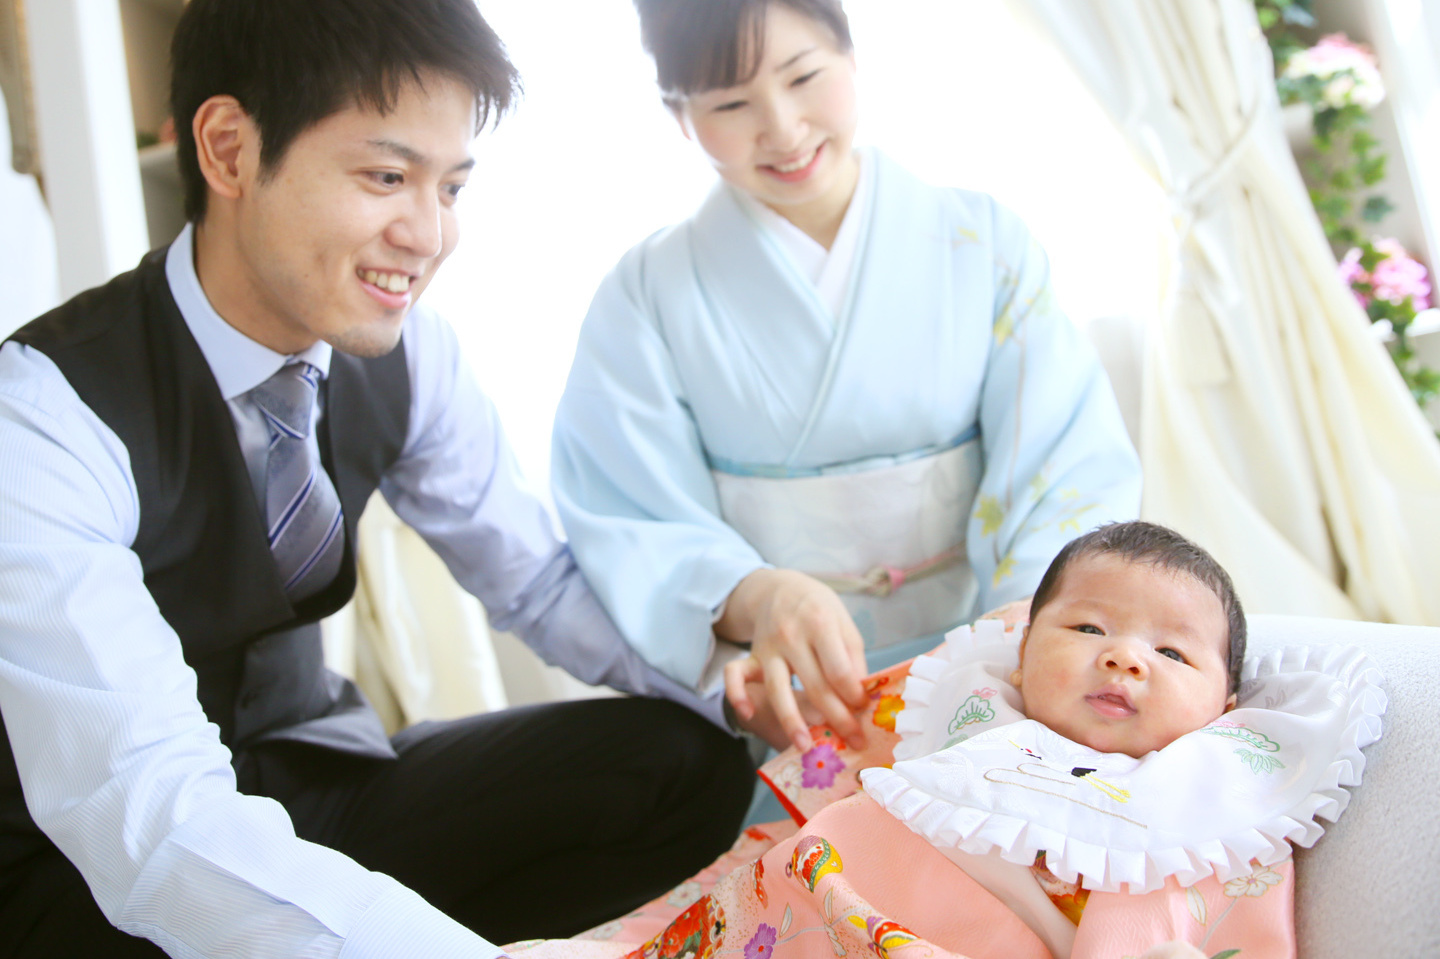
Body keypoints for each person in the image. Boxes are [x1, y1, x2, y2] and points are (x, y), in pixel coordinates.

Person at [0, 1, 757, 955]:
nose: (430, 234)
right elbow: (153, 817)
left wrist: (737, 680)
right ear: (229, 150)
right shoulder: (40, 418)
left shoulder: (410, 357)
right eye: (388, 176)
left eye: (450, 188)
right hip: (92, 865)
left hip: (314, 780)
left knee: (684, 762)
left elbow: (535, 579)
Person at [549, 0, 1142, 758]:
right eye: (731, 103)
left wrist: (1023, 637)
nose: (784, 128)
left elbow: (1065, 460)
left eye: (803, 77)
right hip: (790, 695)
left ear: (851, 57)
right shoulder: (645, 294)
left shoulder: (983, 242)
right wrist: (754, 596)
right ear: (679, 115)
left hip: (997, 661)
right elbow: (628, 507)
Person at [514, 522, 1354, 959]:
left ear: (1227, 701)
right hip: (813, 900)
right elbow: (833, 779)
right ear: (1022, 653)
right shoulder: (966, 703)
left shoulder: (1202, 801)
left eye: (1171, 652)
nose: (1124, 655)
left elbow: (1193, 920)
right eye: (1088, 624)